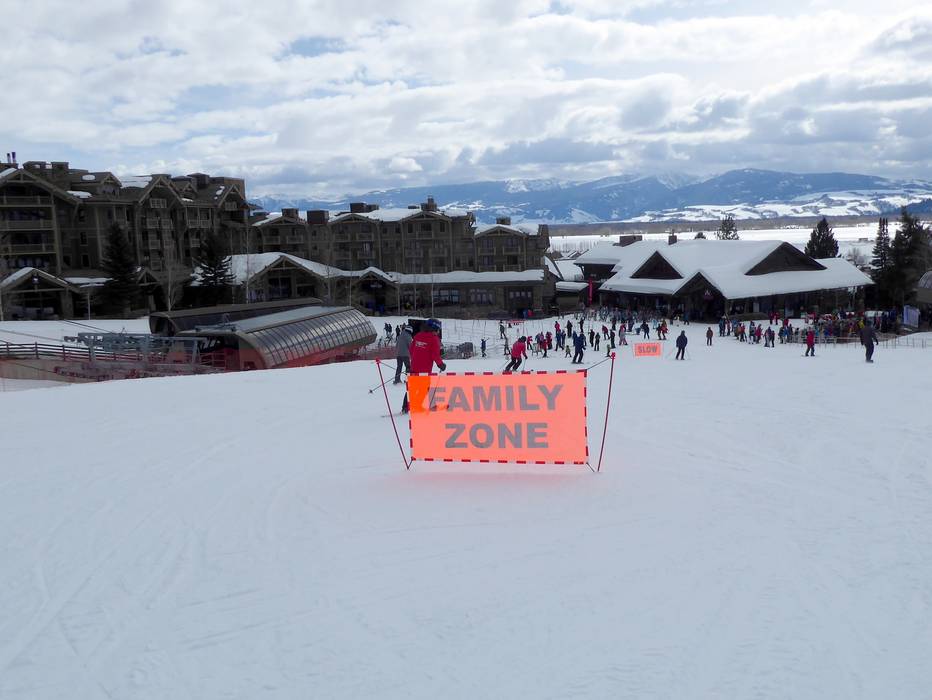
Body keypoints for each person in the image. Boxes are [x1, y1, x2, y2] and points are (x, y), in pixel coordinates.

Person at [401, 318, 446, 413]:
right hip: (425, 369)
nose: (438, 332)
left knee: (412, 388)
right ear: (434, 329)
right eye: (438, 329)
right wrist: (441, 364)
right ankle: (421, 407)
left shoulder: (418, 336)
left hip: (414, 367)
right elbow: (435, 355)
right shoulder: (434, 339)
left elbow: (411, 350)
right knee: (424, 388)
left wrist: (416, 359)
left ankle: (406, 407)